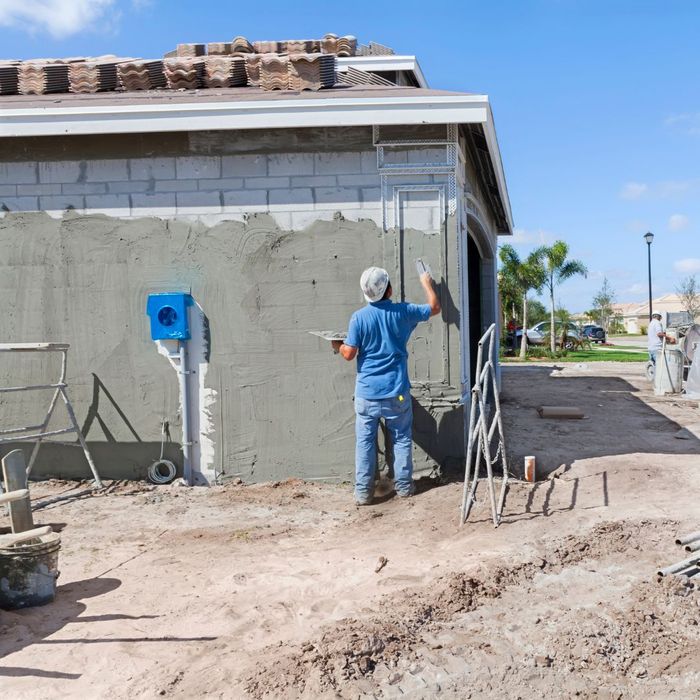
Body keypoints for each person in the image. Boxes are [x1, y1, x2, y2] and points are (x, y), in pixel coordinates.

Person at [331, 266, 441, 505]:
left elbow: (349, 353)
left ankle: (363, 494)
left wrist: (337, 345)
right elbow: (434, 307)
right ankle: (404, 488)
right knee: (401, 438)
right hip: (396, 394)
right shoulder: (403, 312)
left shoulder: (359, 318)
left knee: (365, 443)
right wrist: (426, 282)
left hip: (367, 394)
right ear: (389, 290)